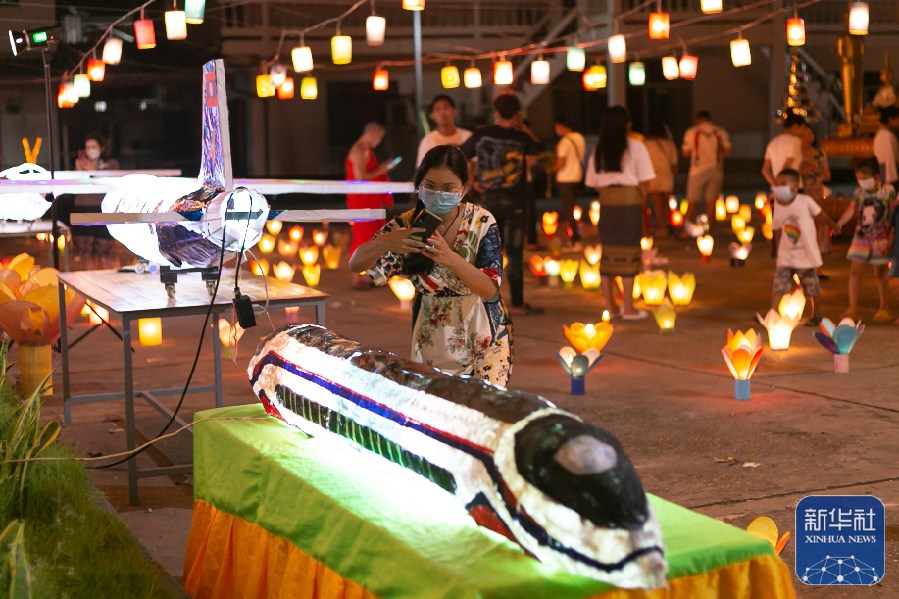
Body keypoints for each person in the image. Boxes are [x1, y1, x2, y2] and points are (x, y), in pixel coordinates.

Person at [348, 145, 512, 387]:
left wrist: (450, 258)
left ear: (464, 188)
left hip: (483, 337)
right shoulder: (408, 226)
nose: (439, 194)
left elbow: (490, 290)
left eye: (448, 188)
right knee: (437, 405)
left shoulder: (482, 222)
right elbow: (356, 265)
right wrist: (386, 242)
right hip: (432, 339)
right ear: (420, 185)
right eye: (431, 186)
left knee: (480, 406)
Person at [460, 93, 541, 315]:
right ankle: (518, 303)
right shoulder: (521, 137)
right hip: (516, 200)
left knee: (489, 252)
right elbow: (538, 150)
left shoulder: (482, 134)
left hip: (490, 200)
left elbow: (461, 153)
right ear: (517, 114)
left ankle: (487, 302)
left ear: (496, 112)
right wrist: (522, 127)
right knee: (515, 253)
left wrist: (472, 179)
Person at [585, 106, 655, 320]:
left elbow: (593, 181)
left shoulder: (599, 149)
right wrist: (639, 200)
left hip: (607, 201)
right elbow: (645, 180)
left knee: (608, 252)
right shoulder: (636, 147)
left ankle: (611, 306)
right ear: (626, 124)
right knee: (629, 252)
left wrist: (610, 193)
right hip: (630, 200)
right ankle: (628, 307)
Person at [834, 158, 897, 323]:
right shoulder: (859, 193)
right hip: (861, 238)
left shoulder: (888, 191)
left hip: (881, 238)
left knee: (880, 273)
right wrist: (839, 223)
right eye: (859, 178)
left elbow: (893, 213)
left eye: (865, 178)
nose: (862, 181)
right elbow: (851, 209)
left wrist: (891, 237)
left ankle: (884, 308)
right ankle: (852, 308)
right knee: (855, 271)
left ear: (877, 177)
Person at [770, 168, 830, 323]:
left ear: (796, 186)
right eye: (778, 184)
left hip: (805, 255)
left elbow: (820, 215)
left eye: (784, 183)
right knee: (779, 284)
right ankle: (773, 314)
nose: (780, 187)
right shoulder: (778, 204)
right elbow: (777, 227)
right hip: (786, 255)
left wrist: (833, 225)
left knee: (811, 286)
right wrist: (778, 250)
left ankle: (817, 314)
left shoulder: (805, 201)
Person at [345, 122, 397, 289]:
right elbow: (360, 177)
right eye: (379, 137)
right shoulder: (358, 151)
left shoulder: (366, 151)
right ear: (372, 133)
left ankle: (370, 276)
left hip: (371, 200)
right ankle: (357, 277)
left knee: (374, 235)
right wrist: (381, 170)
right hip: (362, 201)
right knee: (363, 236)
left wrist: (381, 169)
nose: (379, 141)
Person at [69, 133, 120, 267]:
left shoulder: (111, 164)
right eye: (87, 147)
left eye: (93, 147)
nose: (90, 150)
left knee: (105, 251)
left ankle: (108, 278)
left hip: (103, 210)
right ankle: (88, 277)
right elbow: (76, 186)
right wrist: (79, 171)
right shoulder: (81, 164)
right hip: (83, 209)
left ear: (101, 148)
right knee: (85, 253)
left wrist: (95, 170)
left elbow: (112, 180)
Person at [681, 111, 731, 224]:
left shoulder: (691, 132)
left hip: (697, 171)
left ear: (697, 120)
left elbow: (685, 152)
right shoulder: (720, 131)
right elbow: (728, 151)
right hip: (716, 170)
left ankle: (686, 230)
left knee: (692, 202)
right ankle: (710, 230)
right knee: (711, 202)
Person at [798, 125, 833, 257]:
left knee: (819, 221)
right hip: (803, 192)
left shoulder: (819, 153)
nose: (808, 138)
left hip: (817, 192)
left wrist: (817, 174)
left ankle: (820, 251)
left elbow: (827, 174)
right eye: (804, 135)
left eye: (810, 134)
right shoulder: (796, 153)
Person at [553, 115, 586, 247]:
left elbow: (561, 164)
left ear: (561, 127)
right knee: (573, 207)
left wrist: (553, 166)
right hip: (577, 177)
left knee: (568, 210)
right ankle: (575, 235)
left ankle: (575, 238)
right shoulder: (580, 138)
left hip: (565, 179)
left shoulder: (564, 142)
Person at [416, 95, 472, 166]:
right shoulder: (427, 140)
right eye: (437, 109)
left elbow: (476, 164)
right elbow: (421, 169)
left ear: (454, 112)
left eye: (446, 108)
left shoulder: (468, 137)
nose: (442, 113)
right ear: (433, 115)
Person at [644, 123, 679, 237]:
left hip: (653, 175)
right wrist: (676, 174)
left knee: (657, 203)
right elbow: (674, 163)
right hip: (666, 175)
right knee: (666, 203)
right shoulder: (670, 144)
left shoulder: (647, 144)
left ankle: (662, 228)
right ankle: (669, 224)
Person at [762, 112, 805, 187]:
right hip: (793, 187)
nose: (803, 131)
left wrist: (776, 185)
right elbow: (786, 167)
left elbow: (765, 170)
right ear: (795, 126)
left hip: (778, 189)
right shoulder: (795, 141)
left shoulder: (773, 142)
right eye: (803, 128)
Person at [872, 105, 899, 188]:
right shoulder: (886, 135)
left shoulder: (883, 133)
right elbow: (889, 158)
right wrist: (892, 180)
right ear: (891, 119)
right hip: (888, 174)